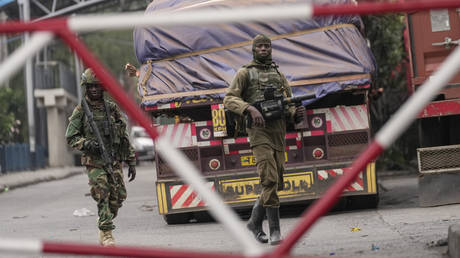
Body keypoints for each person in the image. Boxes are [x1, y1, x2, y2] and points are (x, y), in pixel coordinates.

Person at [223, 34, 305, 245]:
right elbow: (229, 99)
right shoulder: (245, 73)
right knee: (268, 178)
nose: (263, 49)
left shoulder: (278, 75)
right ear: (253, 49)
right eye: (259, 46)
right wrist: (249, 108)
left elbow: (288, 103)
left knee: (276, 180)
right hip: (259, 132)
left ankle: (253, 222)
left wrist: (296, 114)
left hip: (278, 132)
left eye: (266, 46)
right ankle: (275, 231)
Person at [65, 68, 137, 246]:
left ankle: (104, 224)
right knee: (102, 192)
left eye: (97, 86)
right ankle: (107, 234)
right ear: (86, 88)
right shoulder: (81, 110)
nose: (95, 90)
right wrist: (87, 144)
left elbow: (123, 135)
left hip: (113, 159)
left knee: (118, 197)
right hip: (94, 161)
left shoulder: (111, 108)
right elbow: (71, 137)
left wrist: (131, 160)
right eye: (91, 87)